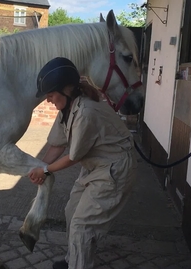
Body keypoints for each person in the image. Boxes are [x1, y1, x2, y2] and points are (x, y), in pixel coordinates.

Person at [28, 57, 137, 269]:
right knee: (72, 212)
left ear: (66, 91)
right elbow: (57, 146)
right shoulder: (67, 110)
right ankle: (75, 261)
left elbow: (73, 157)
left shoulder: (86, 112)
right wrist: (36, 167)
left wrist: (45, 170)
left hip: (115, 170)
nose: (48, 101)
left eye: (50, 95)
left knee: (83, 225)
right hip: (96, 167)